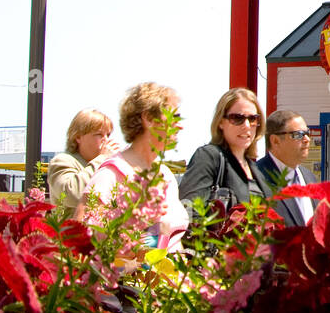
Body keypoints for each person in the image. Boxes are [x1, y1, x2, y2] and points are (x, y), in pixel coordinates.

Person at [75, 83, 188, 253]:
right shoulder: (112, 173)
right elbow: (80, 236)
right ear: (149, 119)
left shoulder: (166, 175)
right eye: (174, 116)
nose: (180, 126)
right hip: (125, 277)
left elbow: (172, 240)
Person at [179, 88, 277, 213]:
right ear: (220, 122)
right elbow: (190, 210)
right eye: (237, 118)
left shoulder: (256, 170)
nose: (246, 125)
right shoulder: (208, 156)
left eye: (252, 119)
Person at [47, 109, 119, 213]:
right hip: (74, 229)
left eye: (108, 135)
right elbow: (71, 195)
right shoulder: (62, 161)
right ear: (78, 137)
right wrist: (102, 159)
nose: (106, 140)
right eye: (99, 135)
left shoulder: (108, 167)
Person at [255, 109, 319, 227]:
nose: (307, 139)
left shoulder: (309, 177)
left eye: (307, 133)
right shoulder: (256, 178)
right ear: (275, 141)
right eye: (298, 135)